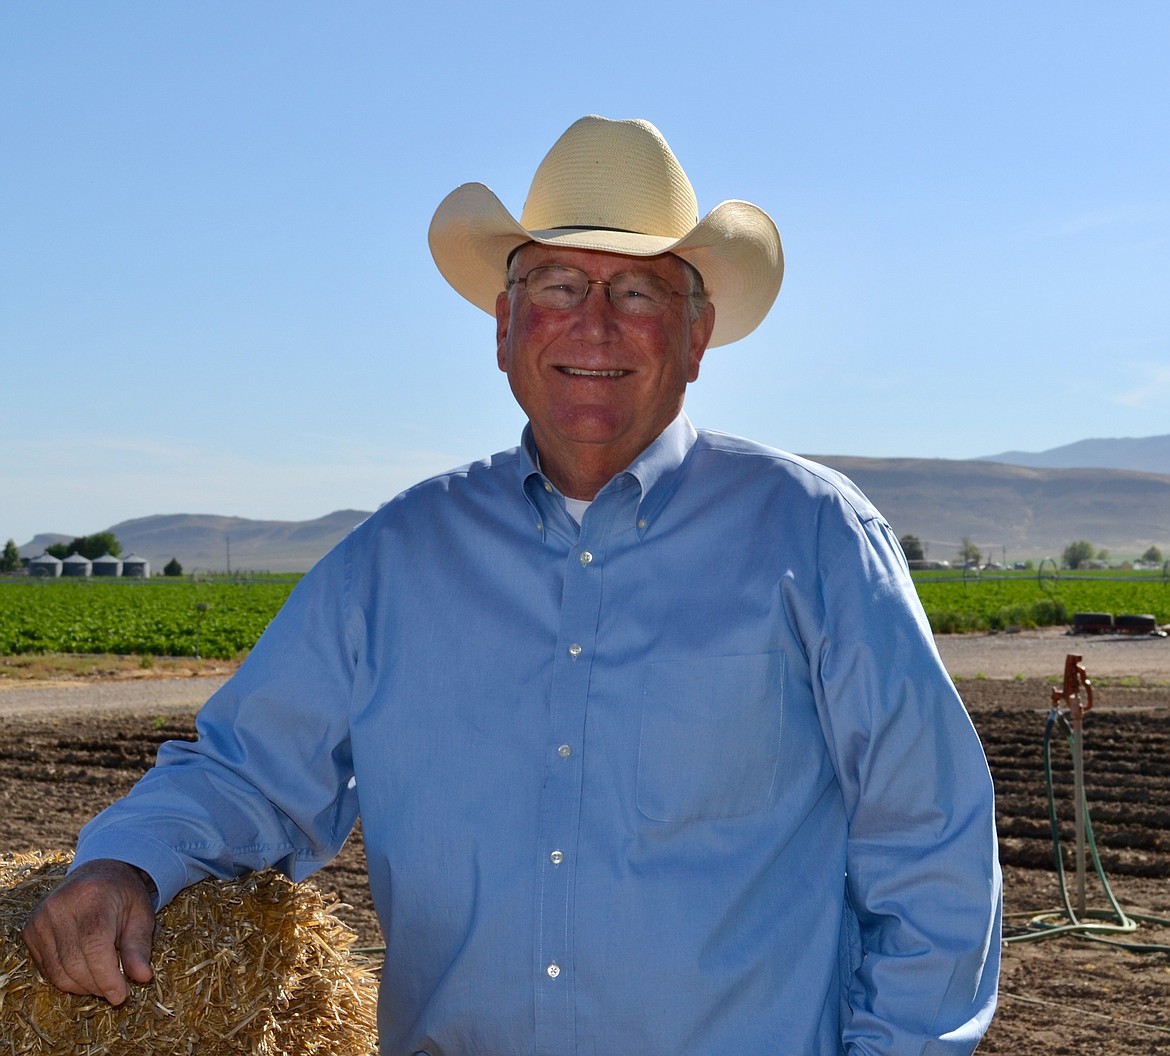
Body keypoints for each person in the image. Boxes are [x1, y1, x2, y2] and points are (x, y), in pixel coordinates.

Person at [24, 115, 1001, 1054]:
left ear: (698, 337)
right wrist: (127, 862)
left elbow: (931, 847)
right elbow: (247, 772)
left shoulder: (816, 534)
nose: (595, 325)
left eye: (640, 294)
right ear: (504, 324)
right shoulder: (395, 560)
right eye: (560, 284)